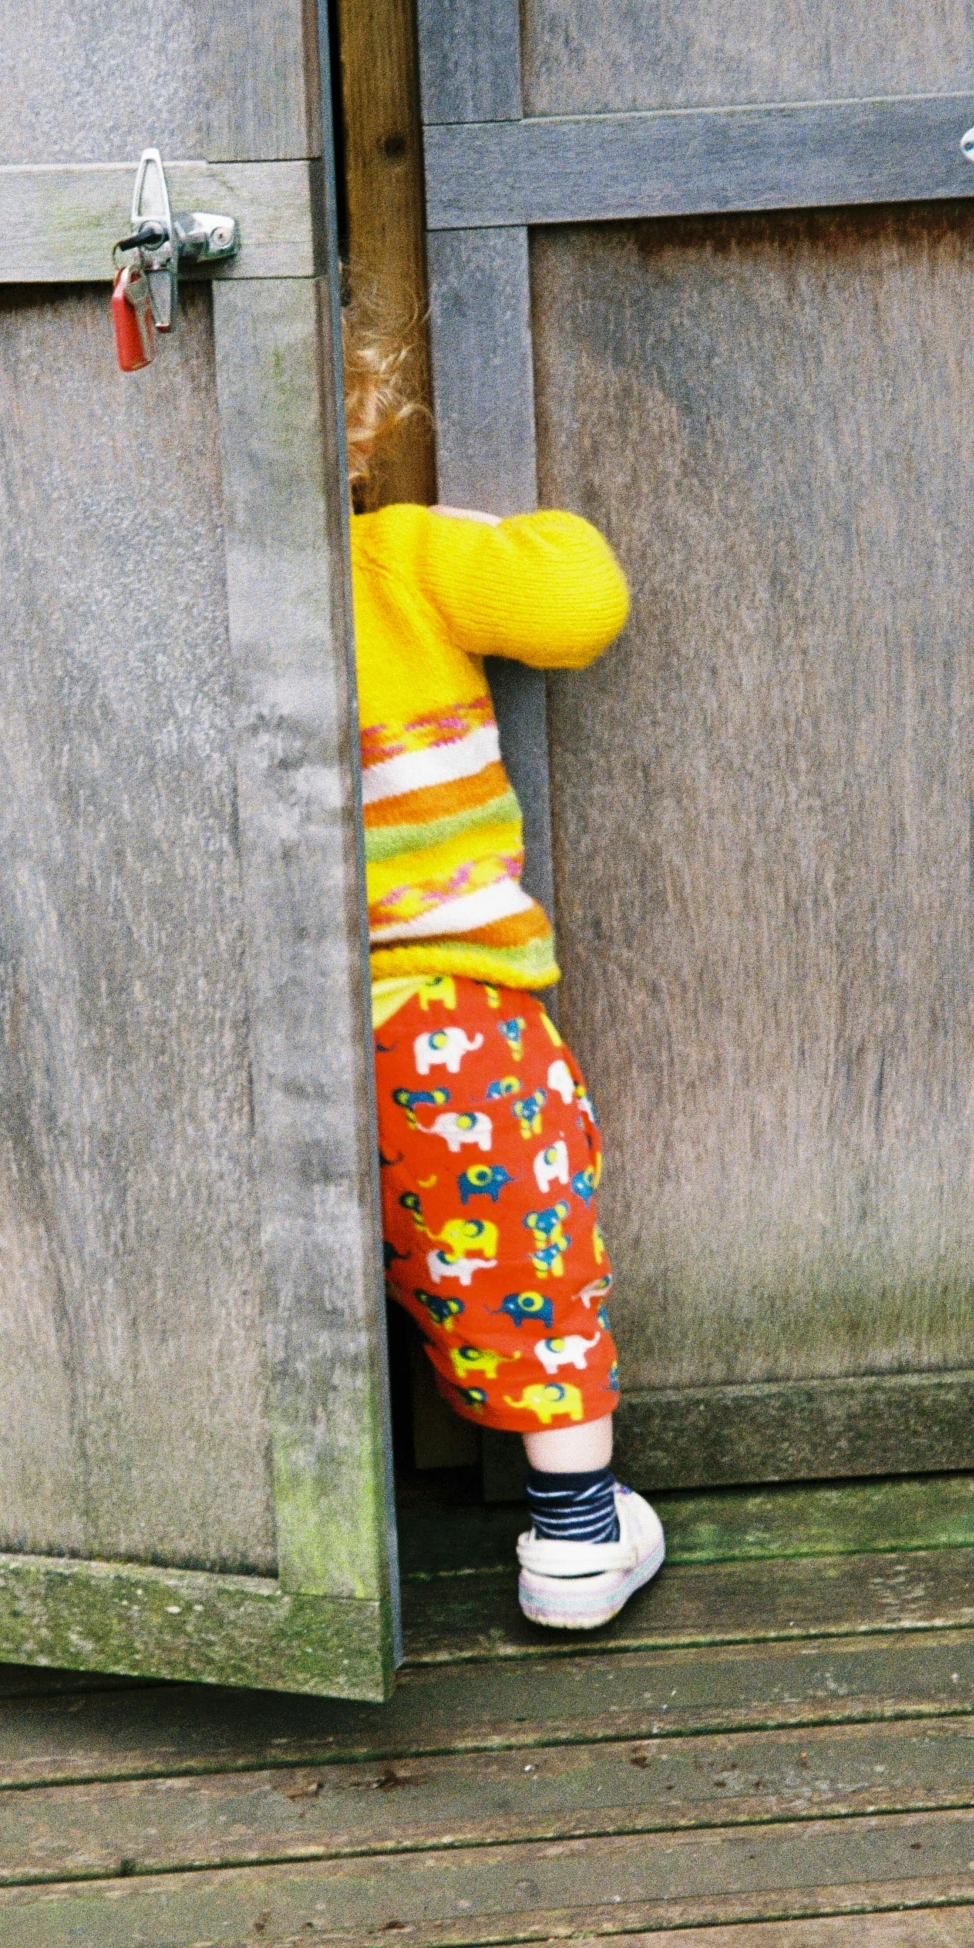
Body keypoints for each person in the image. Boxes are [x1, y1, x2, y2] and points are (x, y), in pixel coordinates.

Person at [346, 299, 664, 1630]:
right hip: (437, 1011)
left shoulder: (128, 603)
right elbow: (578, 600)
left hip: (236, 1023)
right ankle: (575, 1538)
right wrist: (453, 532)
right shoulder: (394, 560)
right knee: (522, 1264)